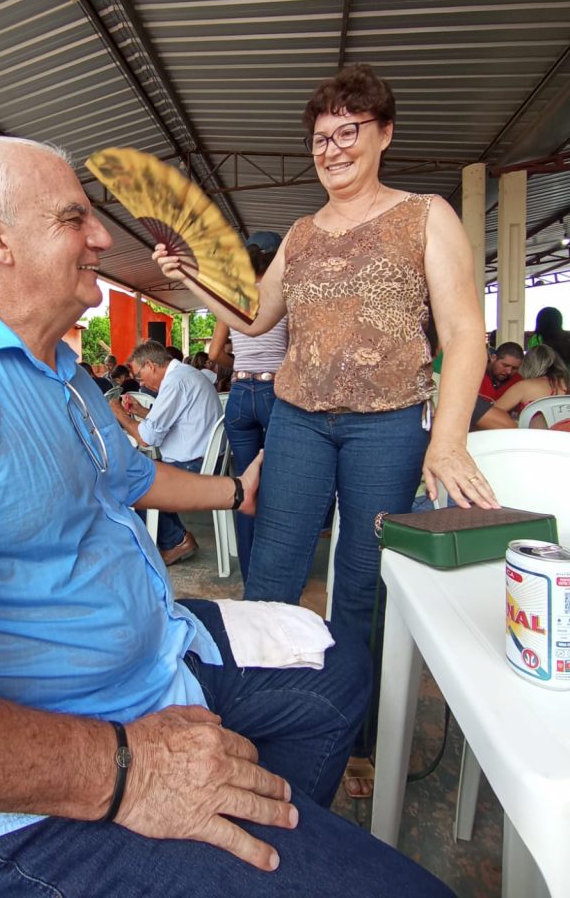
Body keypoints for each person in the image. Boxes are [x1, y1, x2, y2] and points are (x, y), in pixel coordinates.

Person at [0, 137, 456, 898]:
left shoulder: (64, 374)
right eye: (74, 218)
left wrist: (233, 492)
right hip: (42, 795)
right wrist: (126, 773)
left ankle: (251, 824)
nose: (104, 237)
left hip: (158, 658)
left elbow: (135, 476)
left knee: (340, 662)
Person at [155, 63, 498, 798]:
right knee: (273, 578)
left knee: (362, 587)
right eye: (321, 137)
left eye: (350, 132)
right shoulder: (305, 234)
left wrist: (448, 438)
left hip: (389, 425)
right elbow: (253, 317)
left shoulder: (425, 214)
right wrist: (190, 277)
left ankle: (356, 739)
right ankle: (255, 726)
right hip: (301, 419)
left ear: (383, 135)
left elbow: (466, 332)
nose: (334, 148)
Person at [208, 231, 289, 582]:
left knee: (244, 483)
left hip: (239, 394)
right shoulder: (283, 296)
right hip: (275, 392)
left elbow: (213, 355)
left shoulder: (231, 298)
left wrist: (241, 358)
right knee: (278, 483)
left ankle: (249, 574)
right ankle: (273, 571)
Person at [110, 340, 223, 564]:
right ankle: (175, 538)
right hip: (205, 458)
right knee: (142, 469)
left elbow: (147, 438)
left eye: (140, 375)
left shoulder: (175, 382)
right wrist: (140, 410)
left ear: (151, 365)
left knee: (135, 481)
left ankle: (174, 541)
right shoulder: (185, 374)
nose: (141, 381)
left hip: (195, 465)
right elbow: (168, 423)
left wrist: (118, 414)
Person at [493, 344, 570, 426]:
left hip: (534, 437)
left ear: (527, 365)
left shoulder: (524, 387)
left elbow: (490, 414)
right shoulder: (567, 383)